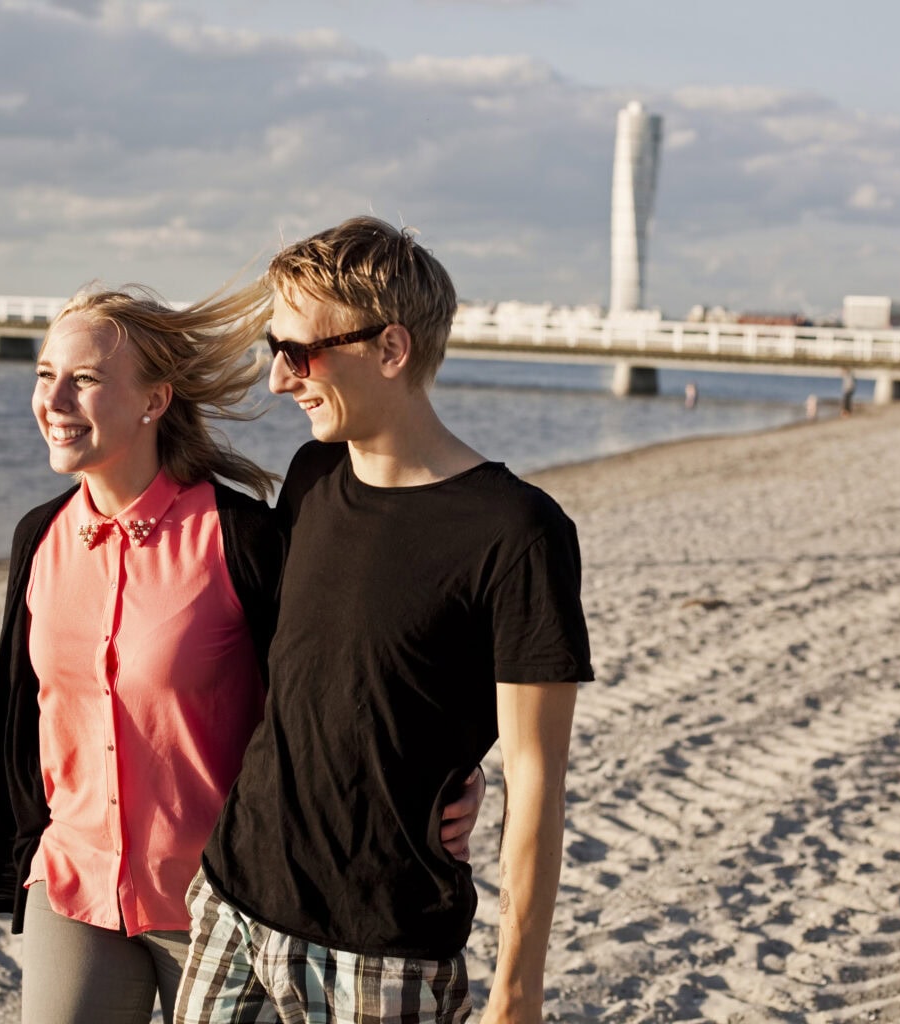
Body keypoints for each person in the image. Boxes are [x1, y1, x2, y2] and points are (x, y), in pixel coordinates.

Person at [0, 284, 484, 1024]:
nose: (53, 400)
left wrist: (449, 772)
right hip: (74, 883)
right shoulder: (40, 537)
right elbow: (18, 721)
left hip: (226, 900)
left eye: (84, 380)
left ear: (155, 401)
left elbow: (341, 679)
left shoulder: (242, 538)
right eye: (43, 375)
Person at [177, 217, 593, 1024]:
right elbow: (317, 677)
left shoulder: (518, 532)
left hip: (381, 950)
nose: (277, 378)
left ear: (391, 350)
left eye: (298, 353)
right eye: (275, 348)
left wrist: (518, 991)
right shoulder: (311, 473)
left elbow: (537, 782)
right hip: (232, 901)